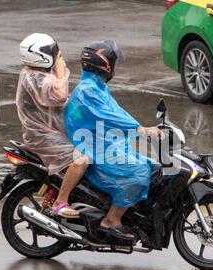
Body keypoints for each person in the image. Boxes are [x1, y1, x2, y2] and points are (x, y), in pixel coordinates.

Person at [65, 40, 163, 240]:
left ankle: (132, 213)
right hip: (92, 146)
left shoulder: (97, 87)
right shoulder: (88, 91)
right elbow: (109, 117)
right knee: (139, 172)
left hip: (103, 141)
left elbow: (117, 112)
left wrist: (140, 127)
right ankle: (111, 220)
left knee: (153, 166)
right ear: (104, 65)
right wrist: (140, 129)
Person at [16, 33, 88, 218]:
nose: (59, 55)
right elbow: (58, 95)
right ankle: (60, 202)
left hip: (50, 130)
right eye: (55, 52)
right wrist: (61, 71)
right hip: (42, 136)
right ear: (42, 56)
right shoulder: (34, 77)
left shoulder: (38, 74)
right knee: (82, 158)